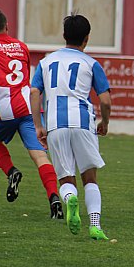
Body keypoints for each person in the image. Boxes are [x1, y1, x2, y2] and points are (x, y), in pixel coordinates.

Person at [0, 9, 63, 219]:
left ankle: (11, 171)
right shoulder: (21, 46)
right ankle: (54, 197)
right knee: (40, 156)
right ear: (6, 26)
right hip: (28, 107)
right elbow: (17, 72)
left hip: (5, 109)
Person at [30, 13, 112, 241]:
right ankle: (95, 226)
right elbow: (105, 100)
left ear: (64, 36)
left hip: (56, 124)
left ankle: (69, 200)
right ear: (86, 39)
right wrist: (104, 123)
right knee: (90, 178)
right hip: (83, 122)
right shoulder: (91, 63)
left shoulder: (46, 62)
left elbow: (35, 92)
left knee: (66, 178)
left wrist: (39, 126)